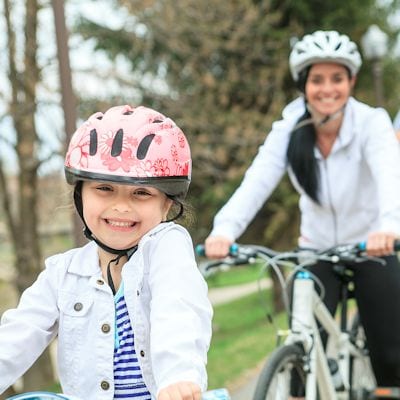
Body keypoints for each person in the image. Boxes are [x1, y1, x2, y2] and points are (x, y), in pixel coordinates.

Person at [204, 30, 400, 396]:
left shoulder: (371, 123)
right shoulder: (289, 128)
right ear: (303, 84)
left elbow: (391, 174)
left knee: (391, 350)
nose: (328, 89)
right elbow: (257, 181)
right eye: (317, 79)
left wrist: (388, 226)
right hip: (317, 247)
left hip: (372, 245)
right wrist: (224, 231)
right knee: (303, 337)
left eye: (337, 78)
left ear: (351, 81)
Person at [0, 105, 213, 400]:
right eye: (104, 188)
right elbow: (17, 336)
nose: (121, 206)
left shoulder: (167, 248)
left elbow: (177, 307)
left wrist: (177, 375)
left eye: (141, 193)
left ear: (166, 204)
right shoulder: (63, 274)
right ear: (80, 194)